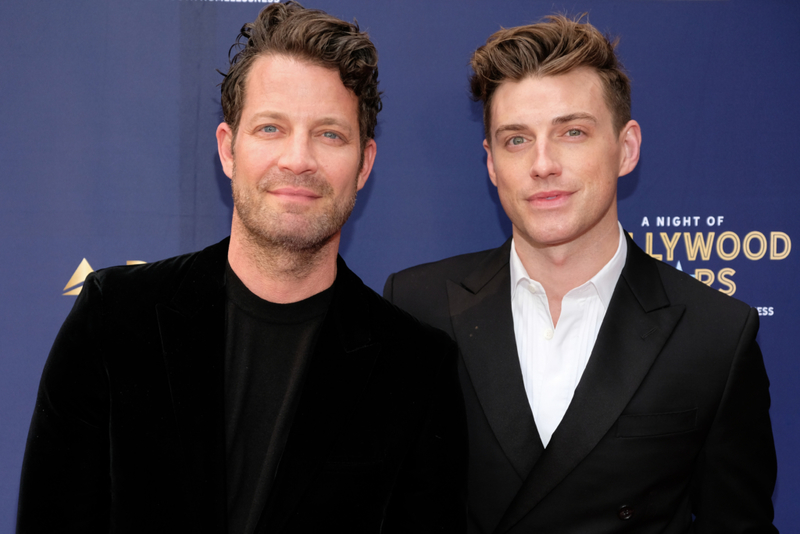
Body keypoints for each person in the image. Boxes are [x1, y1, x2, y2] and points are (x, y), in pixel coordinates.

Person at [17, 3, 466, 533]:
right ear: (229, 150)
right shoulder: (114, 318)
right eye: (271, 128)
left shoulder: (416, 369)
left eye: (329, 134)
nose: (297, 159)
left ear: (364, 163)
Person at [384, 15, 777, 534]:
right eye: (516, 140)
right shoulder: (418, 305)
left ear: (626, 147)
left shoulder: (715, 334)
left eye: (572, 132)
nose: (542, 164)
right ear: (492, 164)